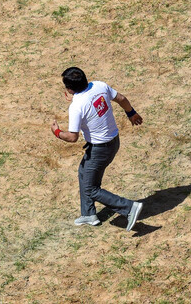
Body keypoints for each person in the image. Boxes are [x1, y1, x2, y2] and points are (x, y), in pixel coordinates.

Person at [50, 67, 144, 231]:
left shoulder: (76, 106)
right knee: (83, 171)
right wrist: (131, 113)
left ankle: (129, 208)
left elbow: (72, 137)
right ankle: (88, 214)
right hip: (113, 141)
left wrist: (57, 132)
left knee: (91, 189)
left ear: (70, 89)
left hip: (99, 150)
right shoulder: (99, 86)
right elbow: (121, 98)